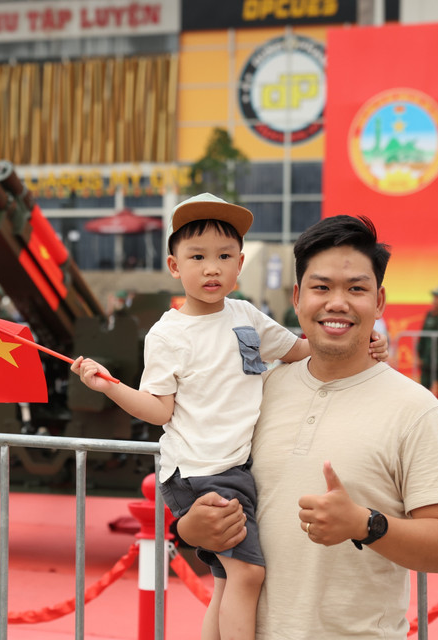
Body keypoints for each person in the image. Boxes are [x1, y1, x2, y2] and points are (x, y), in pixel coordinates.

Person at [71, 194, 389, 640]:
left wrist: (366, 344)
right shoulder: (167, 334)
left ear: (240, 264)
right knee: (247, 577)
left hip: (233, 468)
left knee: (225, 580)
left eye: (223, 257)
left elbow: (299, 349)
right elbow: (159, 408)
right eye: (196, 257)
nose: (211, 268)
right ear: (173, 266)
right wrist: (110, 388)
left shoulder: (247, 316)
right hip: (202, 472)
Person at [175, 214, 438, 639]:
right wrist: (189, 528)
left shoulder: (416, 411)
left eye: (355, 289)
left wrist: (365, 524)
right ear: (297, 297)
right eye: (321, 287)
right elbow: (205, 488)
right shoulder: (257, 391)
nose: (337, 302)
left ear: (379, 301)